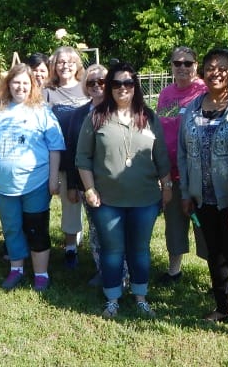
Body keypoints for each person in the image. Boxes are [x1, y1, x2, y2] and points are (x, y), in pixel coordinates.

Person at [76, 61, 172, 319]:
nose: (122, 88)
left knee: (139, 250)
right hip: (107, 200)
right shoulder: (96, 117)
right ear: (110, 87)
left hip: (145, 198)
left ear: (135, 86)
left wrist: (168, 186)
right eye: (116, 83)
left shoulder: (148, 116)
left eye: (128, 83)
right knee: (113, 251)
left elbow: (161, 155)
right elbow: (82, 158)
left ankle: (140, 297)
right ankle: (112, 299)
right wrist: (90, 189)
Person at [178, 48, 228, 337]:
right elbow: (184, 155)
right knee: (214, 254)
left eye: (222, 68)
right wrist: (187, 192)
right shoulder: (192, 108)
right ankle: (223, 306)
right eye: (210, 67)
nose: (216, 72)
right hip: (202, 198)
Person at [0, 63, 64, 291]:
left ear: (33, 85)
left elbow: (55, 146)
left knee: (36, 228)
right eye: (16, 82)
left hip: (35, 182)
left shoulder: (42, 110)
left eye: (25, 83)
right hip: (2, 183)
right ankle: (16, 269)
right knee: (12, 227)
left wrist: (53, 177)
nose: (20, 87)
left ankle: (41, 274)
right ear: (8, 84)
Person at [155, 45, 208, 285]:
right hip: (172, 172)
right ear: (172, 66)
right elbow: (159, 128)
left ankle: (217, 275)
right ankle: (174, 270)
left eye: (188, 63)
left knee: (205, 227)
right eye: (178, 63)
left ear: (196, 66)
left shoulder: (205, 92)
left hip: (199, 173)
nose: (183, 67)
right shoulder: (166, 94)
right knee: (174, 223)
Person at [62, 63, 110, 286]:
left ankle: (124, 272)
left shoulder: (119, 110)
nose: (97, 86)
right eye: (91, 82)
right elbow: (71, 150)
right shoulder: (78, 114)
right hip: (87, 183)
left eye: (102, 81)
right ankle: (103, 270)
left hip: (117, 183)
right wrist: (73, 184)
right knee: (96, 229)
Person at [43, 46, 89, 268]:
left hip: (85, 159)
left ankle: (79, 246)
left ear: (78, 65)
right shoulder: (48, 91)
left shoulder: (86, 89)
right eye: (60, 62)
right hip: (58, 158)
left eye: (70, 61)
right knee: (67, 201)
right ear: (54, 65)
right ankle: (63, 246)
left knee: (81, 202)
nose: (65, 66)